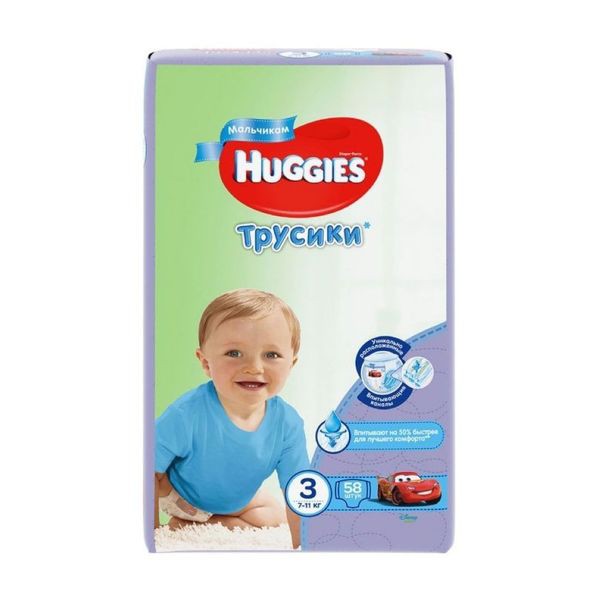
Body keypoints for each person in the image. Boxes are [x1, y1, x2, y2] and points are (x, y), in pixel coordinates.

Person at [154, 288, 308, 548]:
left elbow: (299, 488)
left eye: (271, 355)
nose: (254, 367)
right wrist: (152, 534)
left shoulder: (288, 423)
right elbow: (147, 469)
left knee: (275, 516)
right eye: (234, 353)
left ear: (291, 364)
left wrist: (303, 547)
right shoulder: (186, 414)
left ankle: (214, 522)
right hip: (182, 496)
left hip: (236, 499)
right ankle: (190, 520)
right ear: (206, 363)